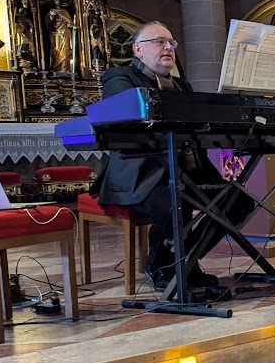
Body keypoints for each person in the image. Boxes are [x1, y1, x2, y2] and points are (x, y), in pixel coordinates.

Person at [90, 20, 255, 291]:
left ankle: (184, 262)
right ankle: (161, 265)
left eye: (171, 43)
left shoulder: (181, 86)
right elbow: (135, 111)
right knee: (174, 202)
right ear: (138, 50)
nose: (168, 47)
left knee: (238, 200)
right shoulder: (118, 77)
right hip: (139, 174)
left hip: (188, 170)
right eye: (159, 42)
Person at [45, 0, 74, 72]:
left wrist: (70, 24)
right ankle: (56, 67)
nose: (58, 2)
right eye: (56, 1)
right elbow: (48, 21)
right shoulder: (52, 11)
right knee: (57, 49)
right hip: (56, 32)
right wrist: (51, 16)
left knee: (65, 48)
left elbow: (70, 22)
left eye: (59, 1)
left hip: (64, 31)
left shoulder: (64, 12)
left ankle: (64, 67)